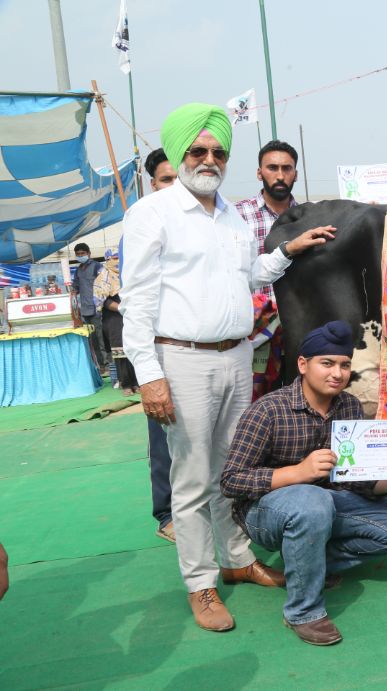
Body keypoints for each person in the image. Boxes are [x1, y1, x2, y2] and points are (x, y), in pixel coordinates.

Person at [120, 102, 335, 632]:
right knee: (192, 479)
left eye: (218, 152)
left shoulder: (233, 215)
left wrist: (289, 250)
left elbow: (251, 273)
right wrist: (149, 374)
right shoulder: (152, 213)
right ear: (180, 154)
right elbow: (137, 300)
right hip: (182, 359)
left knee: (230, 469)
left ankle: (237, 559)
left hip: (237, 357)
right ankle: (201, 582)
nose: (209, 159)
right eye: (199, 150)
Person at [221, 321, 387, 645]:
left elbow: (354, 478)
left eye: (344, 365)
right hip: (264, 512)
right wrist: (297, 473)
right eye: (327, 363)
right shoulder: (267, 411)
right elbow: (231, 481)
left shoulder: (349, 406)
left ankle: (308, 561)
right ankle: (303, 612)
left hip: (327, 505)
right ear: (303, 365)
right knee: (311, 502)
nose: (337, 373)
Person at [140, 148, 178, 543]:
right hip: (161, 346)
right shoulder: (143, 225)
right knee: (164, 433)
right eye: (166, 180)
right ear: (154, 185)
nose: (174, 187)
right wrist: (147, 371)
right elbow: (134, 303)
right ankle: (167, 512)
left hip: (208, 349)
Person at [235, 140, 302, 299]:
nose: (280, 176)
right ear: (259, 173)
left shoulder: (306, 217)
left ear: (296, 175)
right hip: (255, 313)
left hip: (298, 312)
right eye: (272, 168)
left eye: (287, 168)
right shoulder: (237, 215)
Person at [94, 249, 137, 395]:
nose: (117, 261)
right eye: (114, 258)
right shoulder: (102, 277)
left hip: (133, 315)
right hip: (114, 317)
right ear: (107, 260)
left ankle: (137, 382)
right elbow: (102, 301)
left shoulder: (129, 273)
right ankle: (126, 384)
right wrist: (121, 308)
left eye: (119, 258)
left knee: (135, 348)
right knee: (120, 350)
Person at [72, 242, 108, 370]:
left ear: (89, 253)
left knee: (101, 337)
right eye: (78, 254)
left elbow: (105, 284)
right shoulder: (78, 270)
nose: (80, 256)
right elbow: (75, 287)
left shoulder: (97, 266)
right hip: (85, 310)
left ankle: (108, 365)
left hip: (98, 308)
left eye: (82, 253)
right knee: (92, 340)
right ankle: (99, 365)